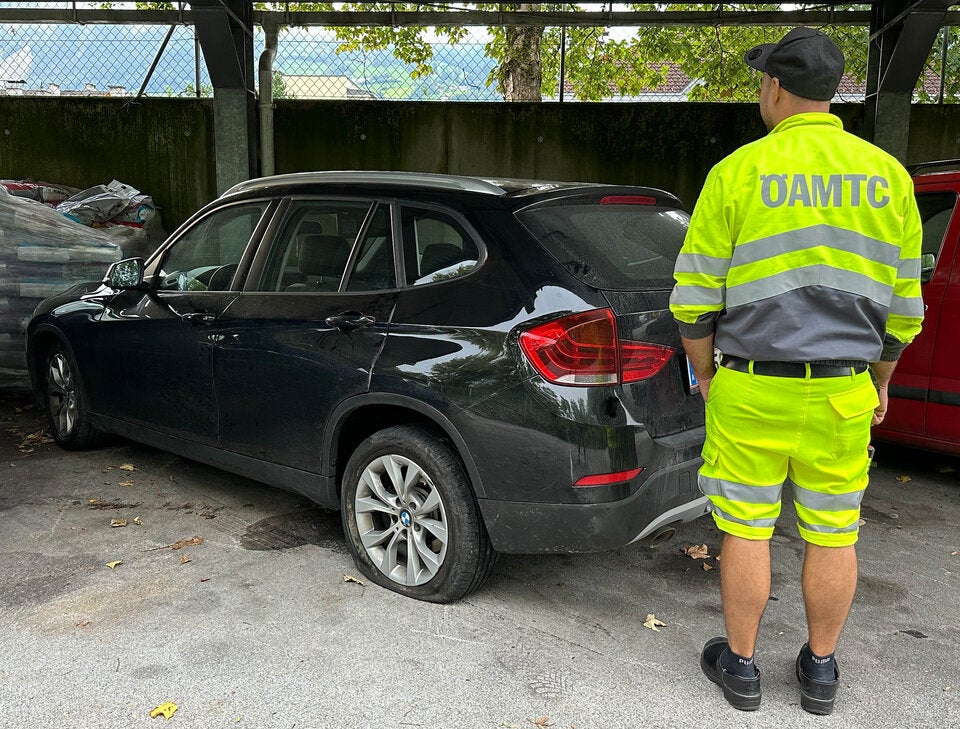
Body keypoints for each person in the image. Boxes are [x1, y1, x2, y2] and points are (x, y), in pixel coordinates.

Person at [669, 27, 924, 715]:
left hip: (751, 384)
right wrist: (882, 380)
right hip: (843, 387)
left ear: (776, 87)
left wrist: (708, 376)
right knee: (834, 529)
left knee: (746, 527)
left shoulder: (737, 173)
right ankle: (819, 671)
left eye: (762, 82)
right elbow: (903, 307)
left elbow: (693, 300)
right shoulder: (889, 178)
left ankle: (743, 669)